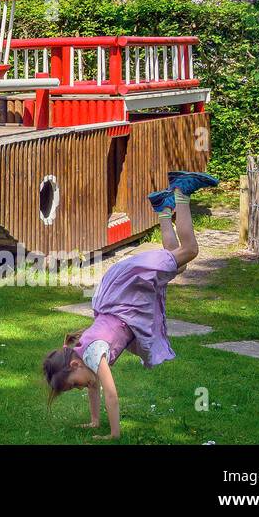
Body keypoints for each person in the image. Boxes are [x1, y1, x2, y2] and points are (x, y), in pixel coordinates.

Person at [41, 170, 218, 439]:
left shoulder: (90, 355)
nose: (81, 388)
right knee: (176, 265)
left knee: (190, 251)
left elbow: (110, 394)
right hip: (122, 302)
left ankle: (181, 192)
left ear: (74, 366)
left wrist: (114, 434)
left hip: (127, 300)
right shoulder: (81, 353)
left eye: (74, 385)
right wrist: (93, 420)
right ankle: (163, 209)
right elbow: (94, 388)